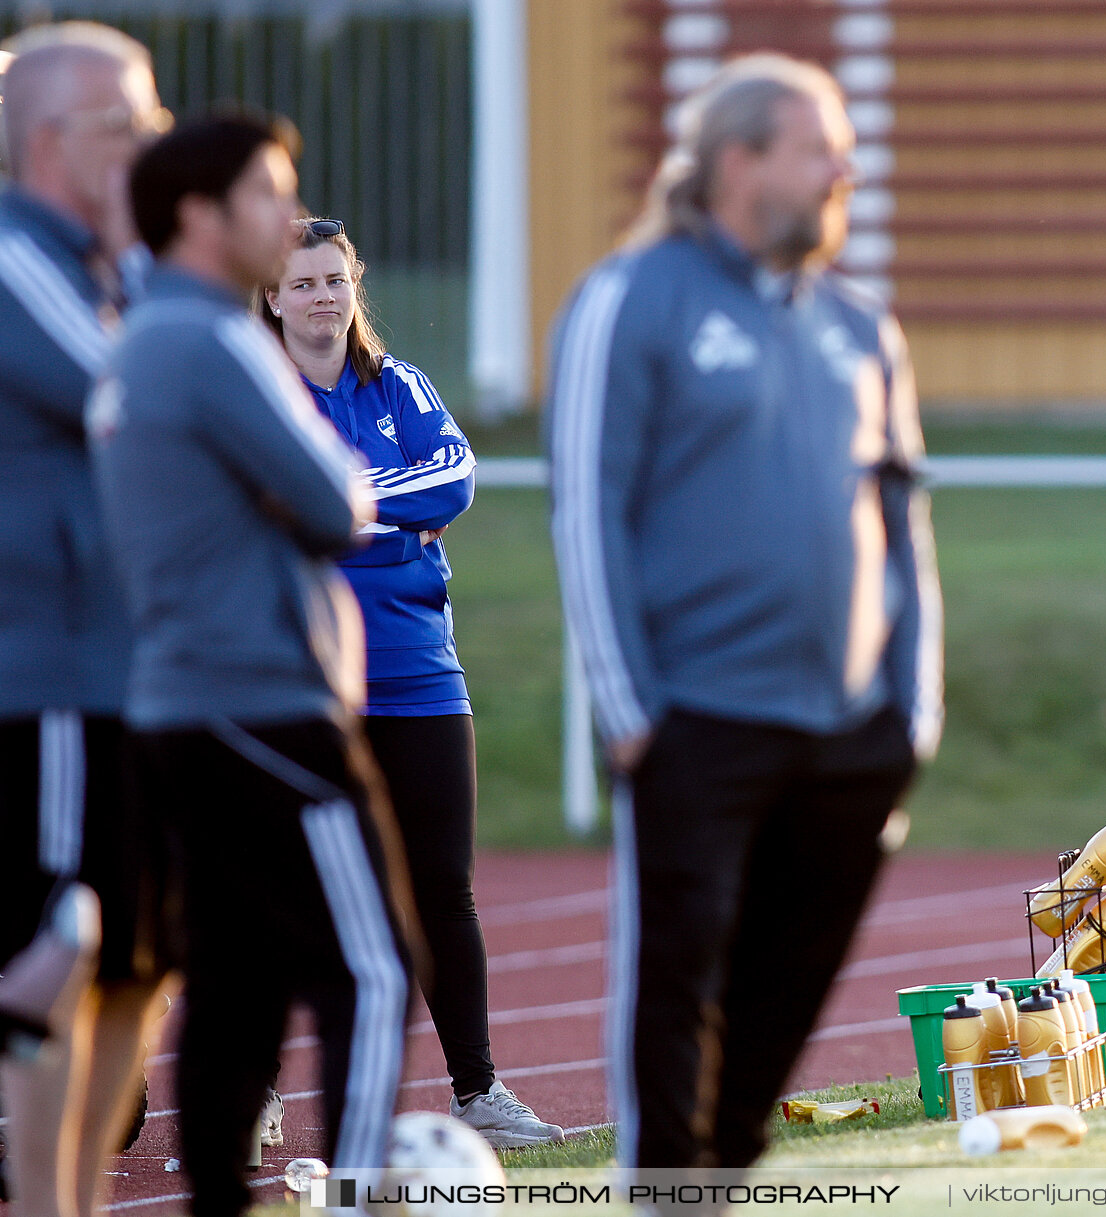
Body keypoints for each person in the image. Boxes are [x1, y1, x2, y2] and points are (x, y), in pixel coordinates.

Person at [547, 54, 942, 1175]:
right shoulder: (632, 296)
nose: (845, 170)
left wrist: (912, 709)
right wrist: (624, 704)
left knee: (789, 986)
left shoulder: (862, 327)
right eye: (822, 148)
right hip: (695, 715)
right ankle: (673, 1188)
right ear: (740, 160)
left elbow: (903, 523)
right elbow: (588, 508)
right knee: (683, 978)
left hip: (851, 730)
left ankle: (716, 1173)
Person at [89, 111, 411, 1217]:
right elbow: (336, 502)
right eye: (268, 193)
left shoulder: (141, 334)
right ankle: (368, 1192)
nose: (288, 215)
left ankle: (223, 1199)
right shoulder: (217, 342)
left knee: (235, 976)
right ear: (197, 215)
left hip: (188, 699)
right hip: (261, 696)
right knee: (369, 966)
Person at [257, 217, 560, 1148]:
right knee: (278, 889)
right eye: (301, 283)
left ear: (357, 287)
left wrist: (330, 500)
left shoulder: (404, 387)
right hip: (294, 678)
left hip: (417, 673)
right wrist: (384, 505)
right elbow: (251, 503)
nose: (321, 297)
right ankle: (256, 1093)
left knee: (443, 888)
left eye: (334, 279)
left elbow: (452, 480)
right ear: (270, 298)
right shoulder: (251, 392)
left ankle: (479, 1090)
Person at [0, 23, 172, 1217]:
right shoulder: (15, 259)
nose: (156, 142)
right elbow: (146, 399)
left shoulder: (120, 264)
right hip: (50, 666)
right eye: (132, 122)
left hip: (136, 664)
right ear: (56, 141)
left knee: (135, 962)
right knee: (53, 949)